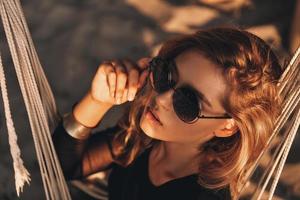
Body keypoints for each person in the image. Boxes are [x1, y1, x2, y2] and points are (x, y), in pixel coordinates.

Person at [52, 27, 283, 200]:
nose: (161, 99)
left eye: (188, 102)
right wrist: (97, 101)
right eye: (166, 75)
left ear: (227, 126)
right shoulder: (144, 139)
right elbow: (65, 165)